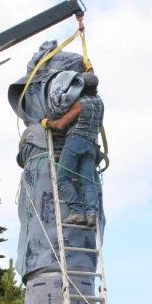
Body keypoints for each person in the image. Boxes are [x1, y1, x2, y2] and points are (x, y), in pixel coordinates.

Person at [41, 72, 104, 228]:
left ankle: (76, 211)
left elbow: (61, 124)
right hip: (91, 144)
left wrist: (47, 122)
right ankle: (90, 214)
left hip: (76, 141)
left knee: (62, 177)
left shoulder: (79, 103)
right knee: (87, 181)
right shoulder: (100, 102)